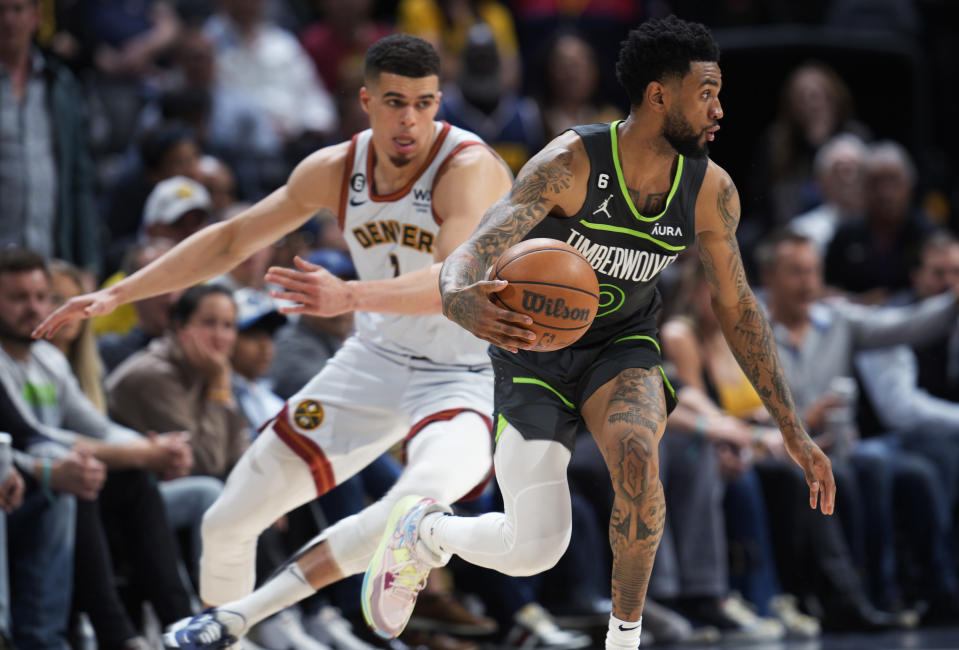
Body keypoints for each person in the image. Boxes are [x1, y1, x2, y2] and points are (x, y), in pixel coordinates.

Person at [363, 17, 836, 650]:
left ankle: (624, 638)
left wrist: (791, 428)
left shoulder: (709, 190)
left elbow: (739, 309)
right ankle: (425, 533)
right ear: (659, 95)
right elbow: (476, 249)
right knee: (535, 547)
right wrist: (456, 298)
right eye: (706, 92)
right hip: (532, 349)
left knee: (640, 466)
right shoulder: (570, 161)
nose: (720, 109)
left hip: (623, 346)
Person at [34, 33, 513, 650]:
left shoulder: (466, 168)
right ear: (365, 102)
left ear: (439, 103)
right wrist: (117, 295)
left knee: (412, 502)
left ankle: (272, 608)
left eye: (424, 103)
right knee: (227, 521)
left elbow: (453, 280)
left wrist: (348, 297)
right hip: (378, 360)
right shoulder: (336, 169)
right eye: (395, 102)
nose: (410, 119)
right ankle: (227, 634)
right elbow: (232, 240)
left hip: (465, 372)